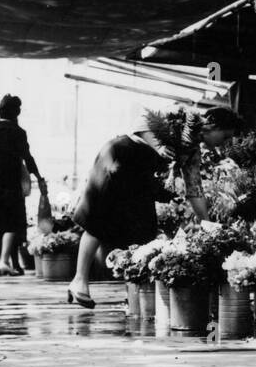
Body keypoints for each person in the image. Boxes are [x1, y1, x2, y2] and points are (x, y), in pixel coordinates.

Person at [68, 104, 245, 309]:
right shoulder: (182, 116)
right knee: (99, 220)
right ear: (213, 125)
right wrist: (158, 146)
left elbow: (194, 188)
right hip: (121, 155)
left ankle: (135, 295)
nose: (224, 145)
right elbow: (143, 119)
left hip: (140, 172)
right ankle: (79, 281)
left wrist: (206, 222)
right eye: (225, 137)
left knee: (144, 230)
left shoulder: (192, 151)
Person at [0, 94, 45, 276]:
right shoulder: (19, 132)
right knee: (11, 223)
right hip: (11, 183)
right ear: (16, 113)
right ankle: (4, 261)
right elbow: (28, 158)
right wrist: (38, 176)